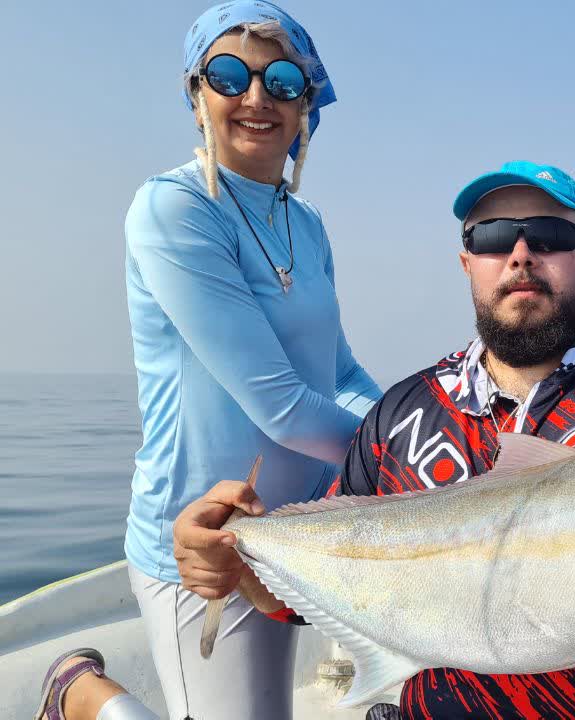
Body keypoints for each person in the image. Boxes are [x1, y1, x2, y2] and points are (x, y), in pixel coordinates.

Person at [174, 161, 575, 719]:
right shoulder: (399, 416)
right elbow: (321, 596)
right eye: (494, 237)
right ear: (466, 262)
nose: (521, 255)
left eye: (550, 235)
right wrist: (239, 567)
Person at [120, 2, 380, 718]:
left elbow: (341, 375)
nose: (257, 97)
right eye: (229, 75)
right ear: (197, 93)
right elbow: (282, 407)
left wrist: (416, 423)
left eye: (283, 80)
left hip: (298, 534)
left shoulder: (307, 222)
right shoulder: (172, 210)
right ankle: (83, 695)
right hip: (205, 541)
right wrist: (410, 459)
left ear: (308, 104)